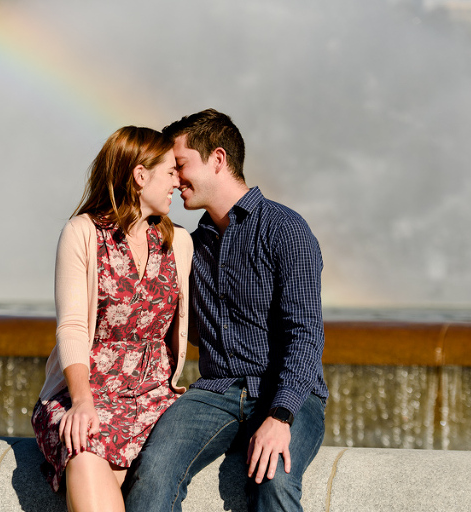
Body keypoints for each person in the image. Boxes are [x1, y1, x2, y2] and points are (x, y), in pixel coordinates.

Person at [124, 109, 328, 512]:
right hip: (214, 392)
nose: (174, 178)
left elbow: (305, 334)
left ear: (217, 159)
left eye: (180, 165)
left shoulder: (285, 230)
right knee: (152, 472)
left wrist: (280, 416)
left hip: (284, 392)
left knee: (276, 481)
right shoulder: (187, 243)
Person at [31, 126, 194, 512]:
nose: (178, 180)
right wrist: (82, 402)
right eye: (170, 172)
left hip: (155, 396)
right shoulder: (82, 233)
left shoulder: (179, 242)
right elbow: (72, 326)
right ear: (140, 176)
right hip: (87, 391)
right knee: (84, 449)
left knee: (101, 467)